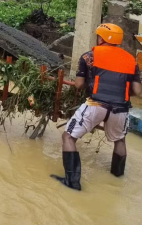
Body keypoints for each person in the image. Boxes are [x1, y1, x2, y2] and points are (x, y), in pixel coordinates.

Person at [51, 23, 142, 191]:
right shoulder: (131, 61)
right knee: (120, 140)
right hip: (121, 110)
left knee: (68, 137)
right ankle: (117, 179)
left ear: (101, 38)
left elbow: (79, 84)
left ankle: (72, 183)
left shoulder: (89, 57)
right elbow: (137, 91)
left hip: (96, 105)